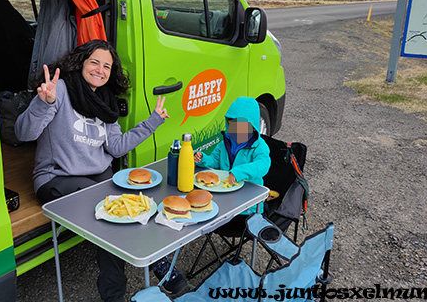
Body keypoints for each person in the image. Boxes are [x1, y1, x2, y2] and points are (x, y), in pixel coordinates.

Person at [15, 39, 169, 302]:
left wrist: (152, 122)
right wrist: (43, 103)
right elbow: (24, 133)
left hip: (96, 177)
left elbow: (117, 147)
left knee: (134, 202)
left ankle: (156, 260)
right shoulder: (59, 90)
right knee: (112, 214)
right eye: (94, 62)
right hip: (57, 177)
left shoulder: (105, 101)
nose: (100, 70)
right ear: (81, 62)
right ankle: (116, 295)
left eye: (107, 66)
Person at [194, 96, 271, 230]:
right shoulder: (224, 143)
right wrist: (203, 159)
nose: (235, 130)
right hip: (222, 200)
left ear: (253, 127)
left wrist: (238, 172)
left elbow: (263, 165)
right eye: (231, 124)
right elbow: (214, 161)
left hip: (247, 209)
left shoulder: (259, 146)